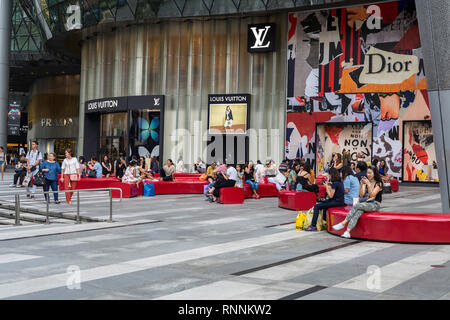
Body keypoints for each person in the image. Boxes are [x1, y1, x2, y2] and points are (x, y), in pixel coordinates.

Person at [332, 165, 383, 238]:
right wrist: (362, 185)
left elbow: (372, 195)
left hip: (375, 204)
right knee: (358, 212)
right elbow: (361, 195)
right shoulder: (367, 181)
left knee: (356, 206)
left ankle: (343, 223)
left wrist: (368, 184)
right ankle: (347, 232)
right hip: (366, 203)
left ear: (374, 173)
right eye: (367, 173)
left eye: (370, 173)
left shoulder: (379, 183)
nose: (368, 175)